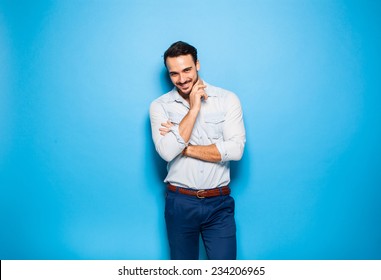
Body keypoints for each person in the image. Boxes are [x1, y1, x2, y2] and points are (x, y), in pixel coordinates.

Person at [149, 41, 246, 260]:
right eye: (174, 74)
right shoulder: (160, 106)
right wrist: (193, 109)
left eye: (187, 70)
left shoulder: (227, 99)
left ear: (197, 65)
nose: (182, 79)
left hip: (219, 204)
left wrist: (183, 146)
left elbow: (235, 150)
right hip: (180, 203)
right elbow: (165, 152)